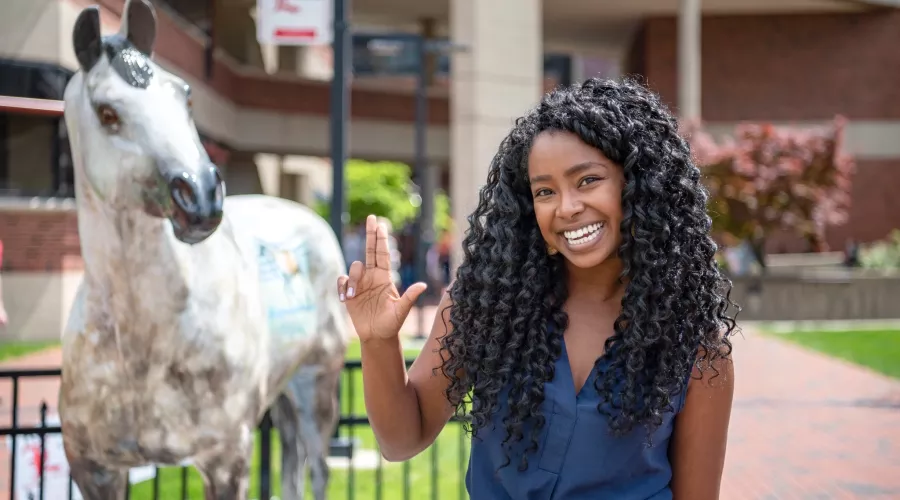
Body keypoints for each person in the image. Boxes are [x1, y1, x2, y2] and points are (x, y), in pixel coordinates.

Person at [337, 77, 738, 499]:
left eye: (587, 181)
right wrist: (379, 341)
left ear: (638, 185)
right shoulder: (486, 302)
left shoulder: (695, 347)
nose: (567, 207)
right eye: (545, 191)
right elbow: (401, 440)